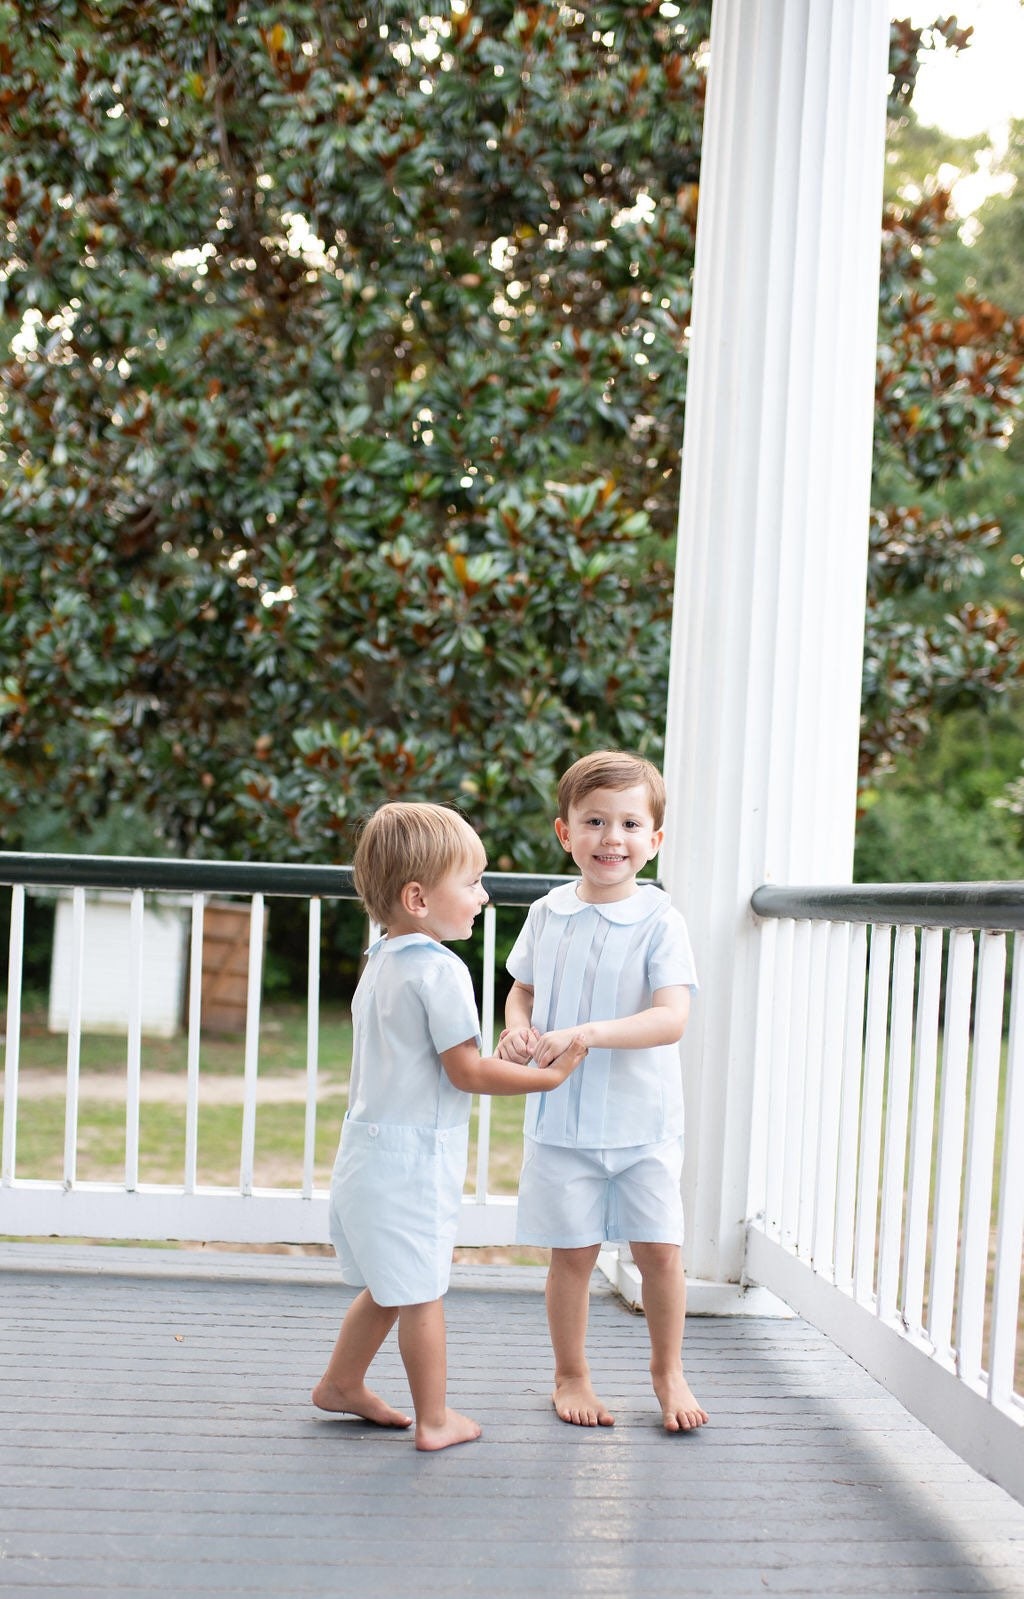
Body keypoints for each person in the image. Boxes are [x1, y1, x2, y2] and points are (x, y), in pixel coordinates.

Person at [313, 800, 587, 1453]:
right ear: (417, 896)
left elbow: (432, 1059)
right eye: (471, 882)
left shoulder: (381, 960)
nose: (484, 894)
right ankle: (434, 1417)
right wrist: (547, 1078)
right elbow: (465, 1070)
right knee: (423, 1290)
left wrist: (500, 1053)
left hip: (366, 1156)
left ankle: (342, 1382)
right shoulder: (441, 968)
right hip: (409, 1166)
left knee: (392, 1282)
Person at [497, 750, 707, 1434]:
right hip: (562, 1122)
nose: (610, 837)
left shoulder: (660, 922)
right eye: (593, 820)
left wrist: (586, 1031)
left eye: (628, 822)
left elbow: (670, 1017)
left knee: (659, 1253)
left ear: (654, 839)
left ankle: (667, 1367)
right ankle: (571, 1372)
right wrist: (517, 1028)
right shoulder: (548, 913)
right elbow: (523, 986)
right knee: (573, 1254)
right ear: (565, 833)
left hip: (642, 1124)